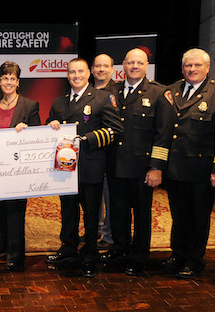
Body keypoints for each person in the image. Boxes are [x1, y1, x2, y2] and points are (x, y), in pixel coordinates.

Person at [162, 48, 215, 279]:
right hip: (175, 169)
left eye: (196, 65)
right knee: (179, 215)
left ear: (207, 67)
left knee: (198, 217)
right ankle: (178, 254)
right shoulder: (171, 91)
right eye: (188, 66)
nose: (192, 69)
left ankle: (194, 260)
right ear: (182, 68)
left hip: (202, 170)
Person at [44, 58, 122, 278]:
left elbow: (115, 130)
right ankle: (68, 249)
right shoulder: (59, 101)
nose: (76, 75)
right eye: (71, 72)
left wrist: (85, 139)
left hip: (90, 166)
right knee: (68, 212)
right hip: (66, 168)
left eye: (80, 71)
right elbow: (50, 127)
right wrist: (51, 126)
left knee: (90, 214)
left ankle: (90, 254)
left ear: (89, 73)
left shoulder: (103, 97)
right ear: (67, 75)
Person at [101, 48, 175, 275]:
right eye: (130, 62)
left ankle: (139, 255)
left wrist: (156, 168)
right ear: (123, 65)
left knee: (141, 214)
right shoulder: (110, 92)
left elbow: (163, 135)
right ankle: (120, 249)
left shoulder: (159, 93)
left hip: (142, 169)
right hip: (115, 165)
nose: (134, 66)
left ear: (146, 66)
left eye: (139, 63)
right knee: (118, 211)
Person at [0, 61, 41, 271]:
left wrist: (26, 129)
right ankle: (2, 245)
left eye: (12, 78)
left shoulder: (29, 105)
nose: (8, 82)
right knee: (0, 207)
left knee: (15, 210)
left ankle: (16, 254)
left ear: (18, 82)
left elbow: (37, 134)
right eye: (4, 78)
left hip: (18, 167)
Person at [90, 54, 116, 248]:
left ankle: (109, 236)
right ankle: (95, 231)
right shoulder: (87, 92)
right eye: (97, 66)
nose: (101, 70)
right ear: (92, 69)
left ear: (113, 69)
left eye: (105, 66)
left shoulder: (118, 92)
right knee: (94, 197)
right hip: (92, 155)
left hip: (112, 154)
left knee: (111, 197)